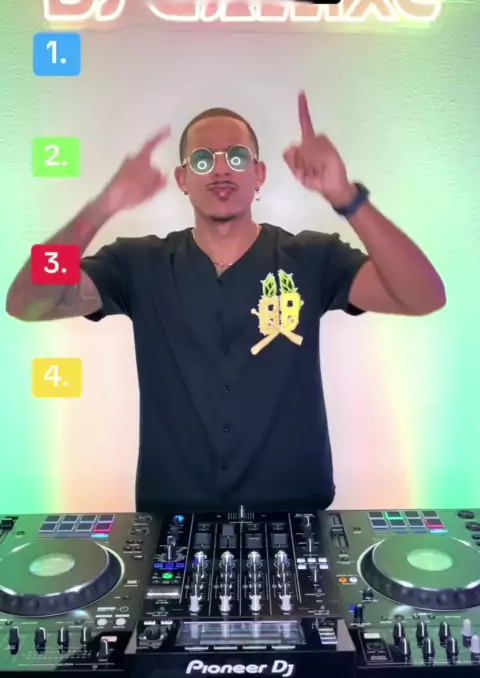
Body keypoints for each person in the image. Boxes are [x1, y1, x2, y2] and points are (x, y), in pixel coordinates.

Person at [6, 92, 446, 513]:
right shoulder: (138, 264)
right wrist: (104, 205)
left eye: (236, 157)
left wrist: (346, 197)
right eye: (203, 159)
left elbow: (424, 295)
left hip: (296, 512)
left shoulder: (313, 257)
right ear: (183, 178)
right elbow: (25, 301)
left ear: (259, 173)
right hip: (172, 518)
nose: (220, 169)